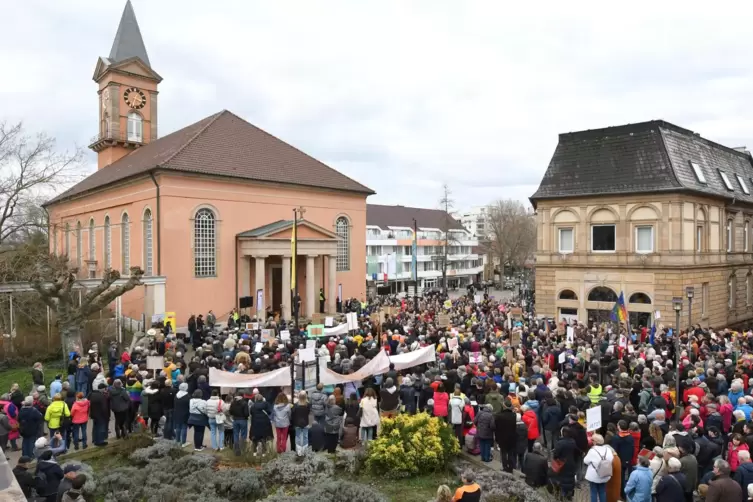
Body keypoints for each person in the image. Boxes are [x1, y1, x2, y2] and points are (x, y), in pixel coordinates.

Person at [584, 433, 614, 502]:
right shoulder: (608, 450)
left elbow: (585, 461)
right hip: (605, 474)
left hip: (594, 475)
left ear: (595, 442)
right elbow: (611, 459)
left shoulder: (592, 451)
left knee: (593, 492)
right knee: (603, 491)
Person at [291, 391, 310, 456]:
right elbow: (308, 413)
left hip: (297, 423)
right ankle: (304, 451)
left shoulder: (295, 405)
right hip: (305, 423)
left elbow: (292, 413)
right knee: (305, 437)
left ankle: (299, 452)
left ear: (299, 397)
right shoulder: (308, 405)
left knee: (298, 437)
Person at [173, 383, 191, 447]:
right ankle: (183, 442)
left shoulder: (176, 395)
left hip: (177, 413)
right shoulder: (188, 396)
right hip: (185, 414)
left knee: (178, 427)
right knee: (184, 428)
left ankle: (177, 440)